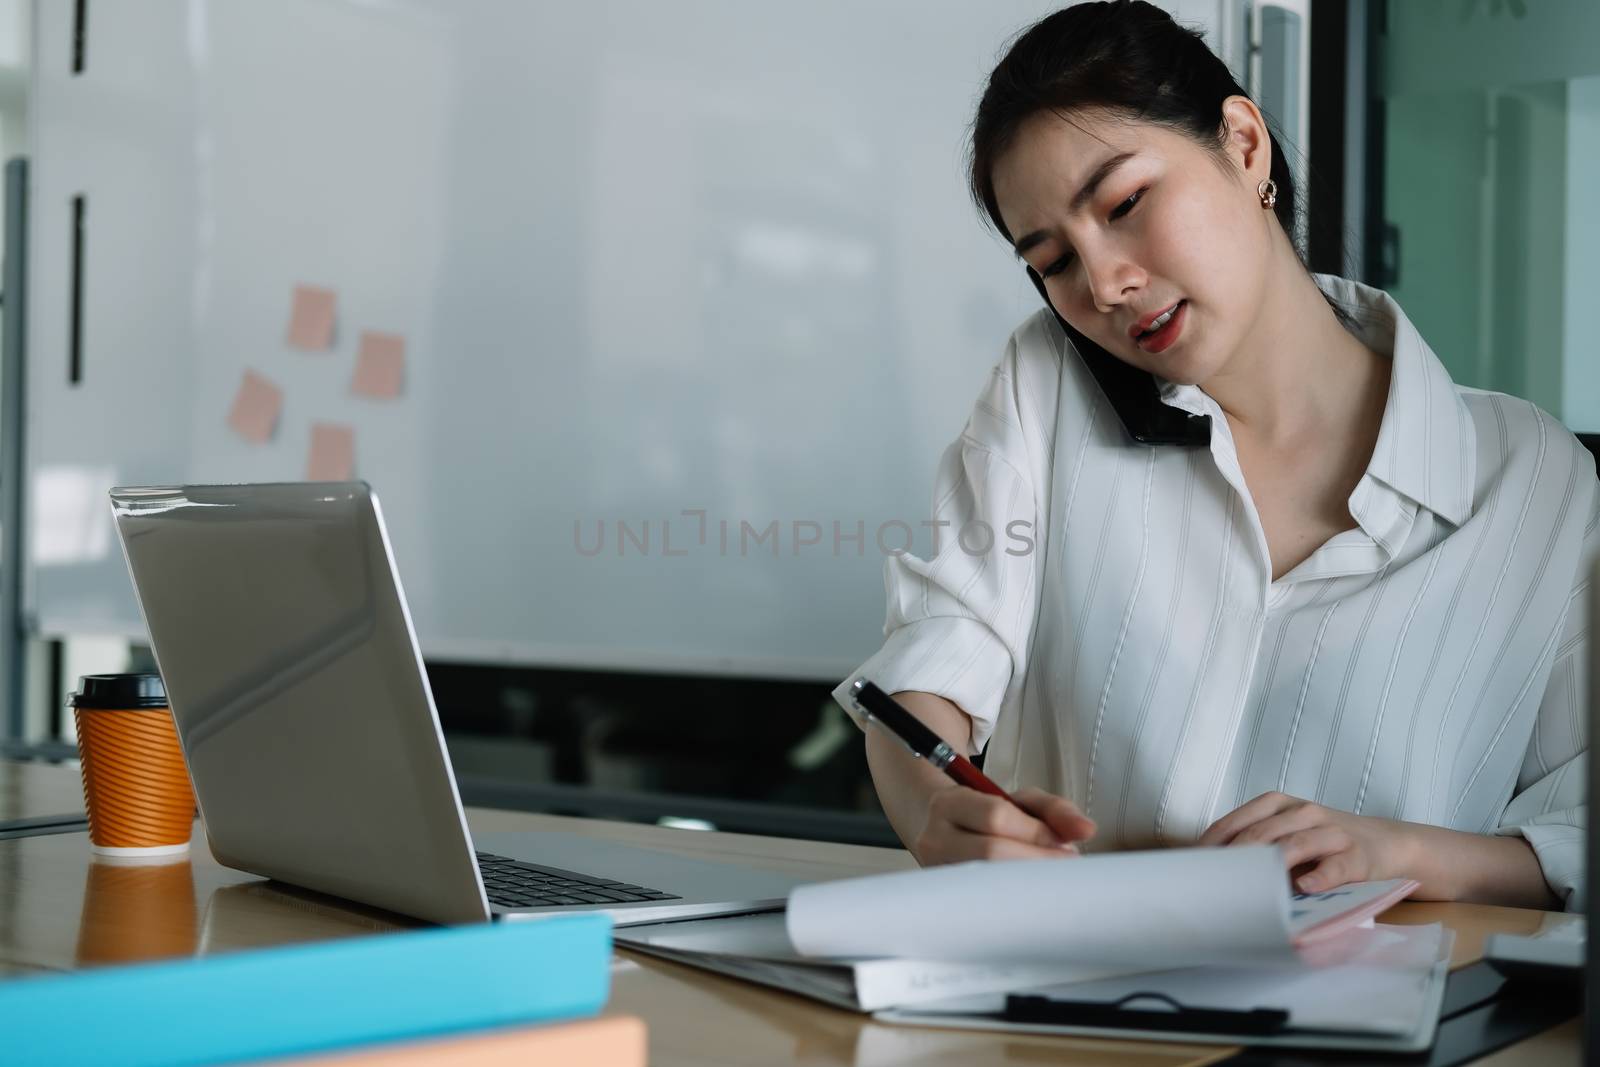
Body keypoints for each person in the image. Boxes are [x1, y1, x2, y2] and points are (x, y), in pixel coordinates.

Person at [834, 0, 1597, 910]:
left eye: (1123, 205)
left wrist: (1399, 850)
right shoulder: (1048, 382)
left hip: (1377, 1028)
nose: (1106, 282)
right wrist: (933, 810)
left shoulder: (1533, 478)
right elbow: (933, 663)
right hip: (1063, 1016)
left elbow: (1576, 833)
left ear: (1243, 145)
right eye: (1053, 261)